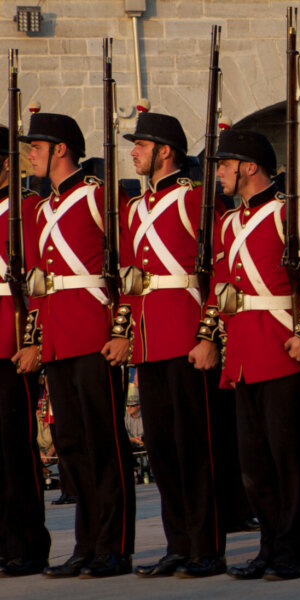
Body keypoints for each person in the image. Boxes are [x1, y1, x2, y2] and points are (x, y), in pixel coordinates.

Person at [188, 127, 300, 581]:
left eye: (224, 166)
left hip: (281, 346)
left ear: (248, 167)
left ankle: (295, 550)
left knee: (288, 460)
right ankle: (269, 546)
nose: (219, 175)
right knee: (255, 465)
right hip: (242, 352)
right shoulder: (228, 221)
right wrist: (208, 338)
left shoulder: (290, 213)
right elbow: (221, 288)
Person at [13, 112, 136, 579]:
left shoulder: (101, 197)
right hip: (60, 339)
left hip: (94, 333)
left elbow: (129, 269)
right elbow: (43, 285)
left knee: (104, 443)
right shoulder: (44, 209)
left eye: (36, 147)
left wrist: (122, 330)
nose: (30, 155)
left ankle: (115, 545)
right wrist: (37, 342)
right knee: (72, 444)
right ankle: (87, 544)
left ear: (60, 148)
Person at [115, 111, 231, 579]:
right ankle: (178, 543)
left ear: (166, 150)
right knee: (162, 450)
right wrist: (122, 333)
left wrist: (208, 334)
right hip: (148, 340)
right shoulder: (133, 207)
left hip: (186, 337)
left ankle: (207, 547)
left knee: (196, 448)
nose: (134, 151)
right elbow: (129, 278)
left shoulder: (197, 200)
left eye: (142, 144)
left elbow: (222, 271)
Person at [0, 130, 50, 577]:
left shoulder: (26, 208)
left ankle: (27, 542)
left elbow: (39, 277)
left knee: (14, 448)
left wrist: (32, 339)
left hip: (9, 339)